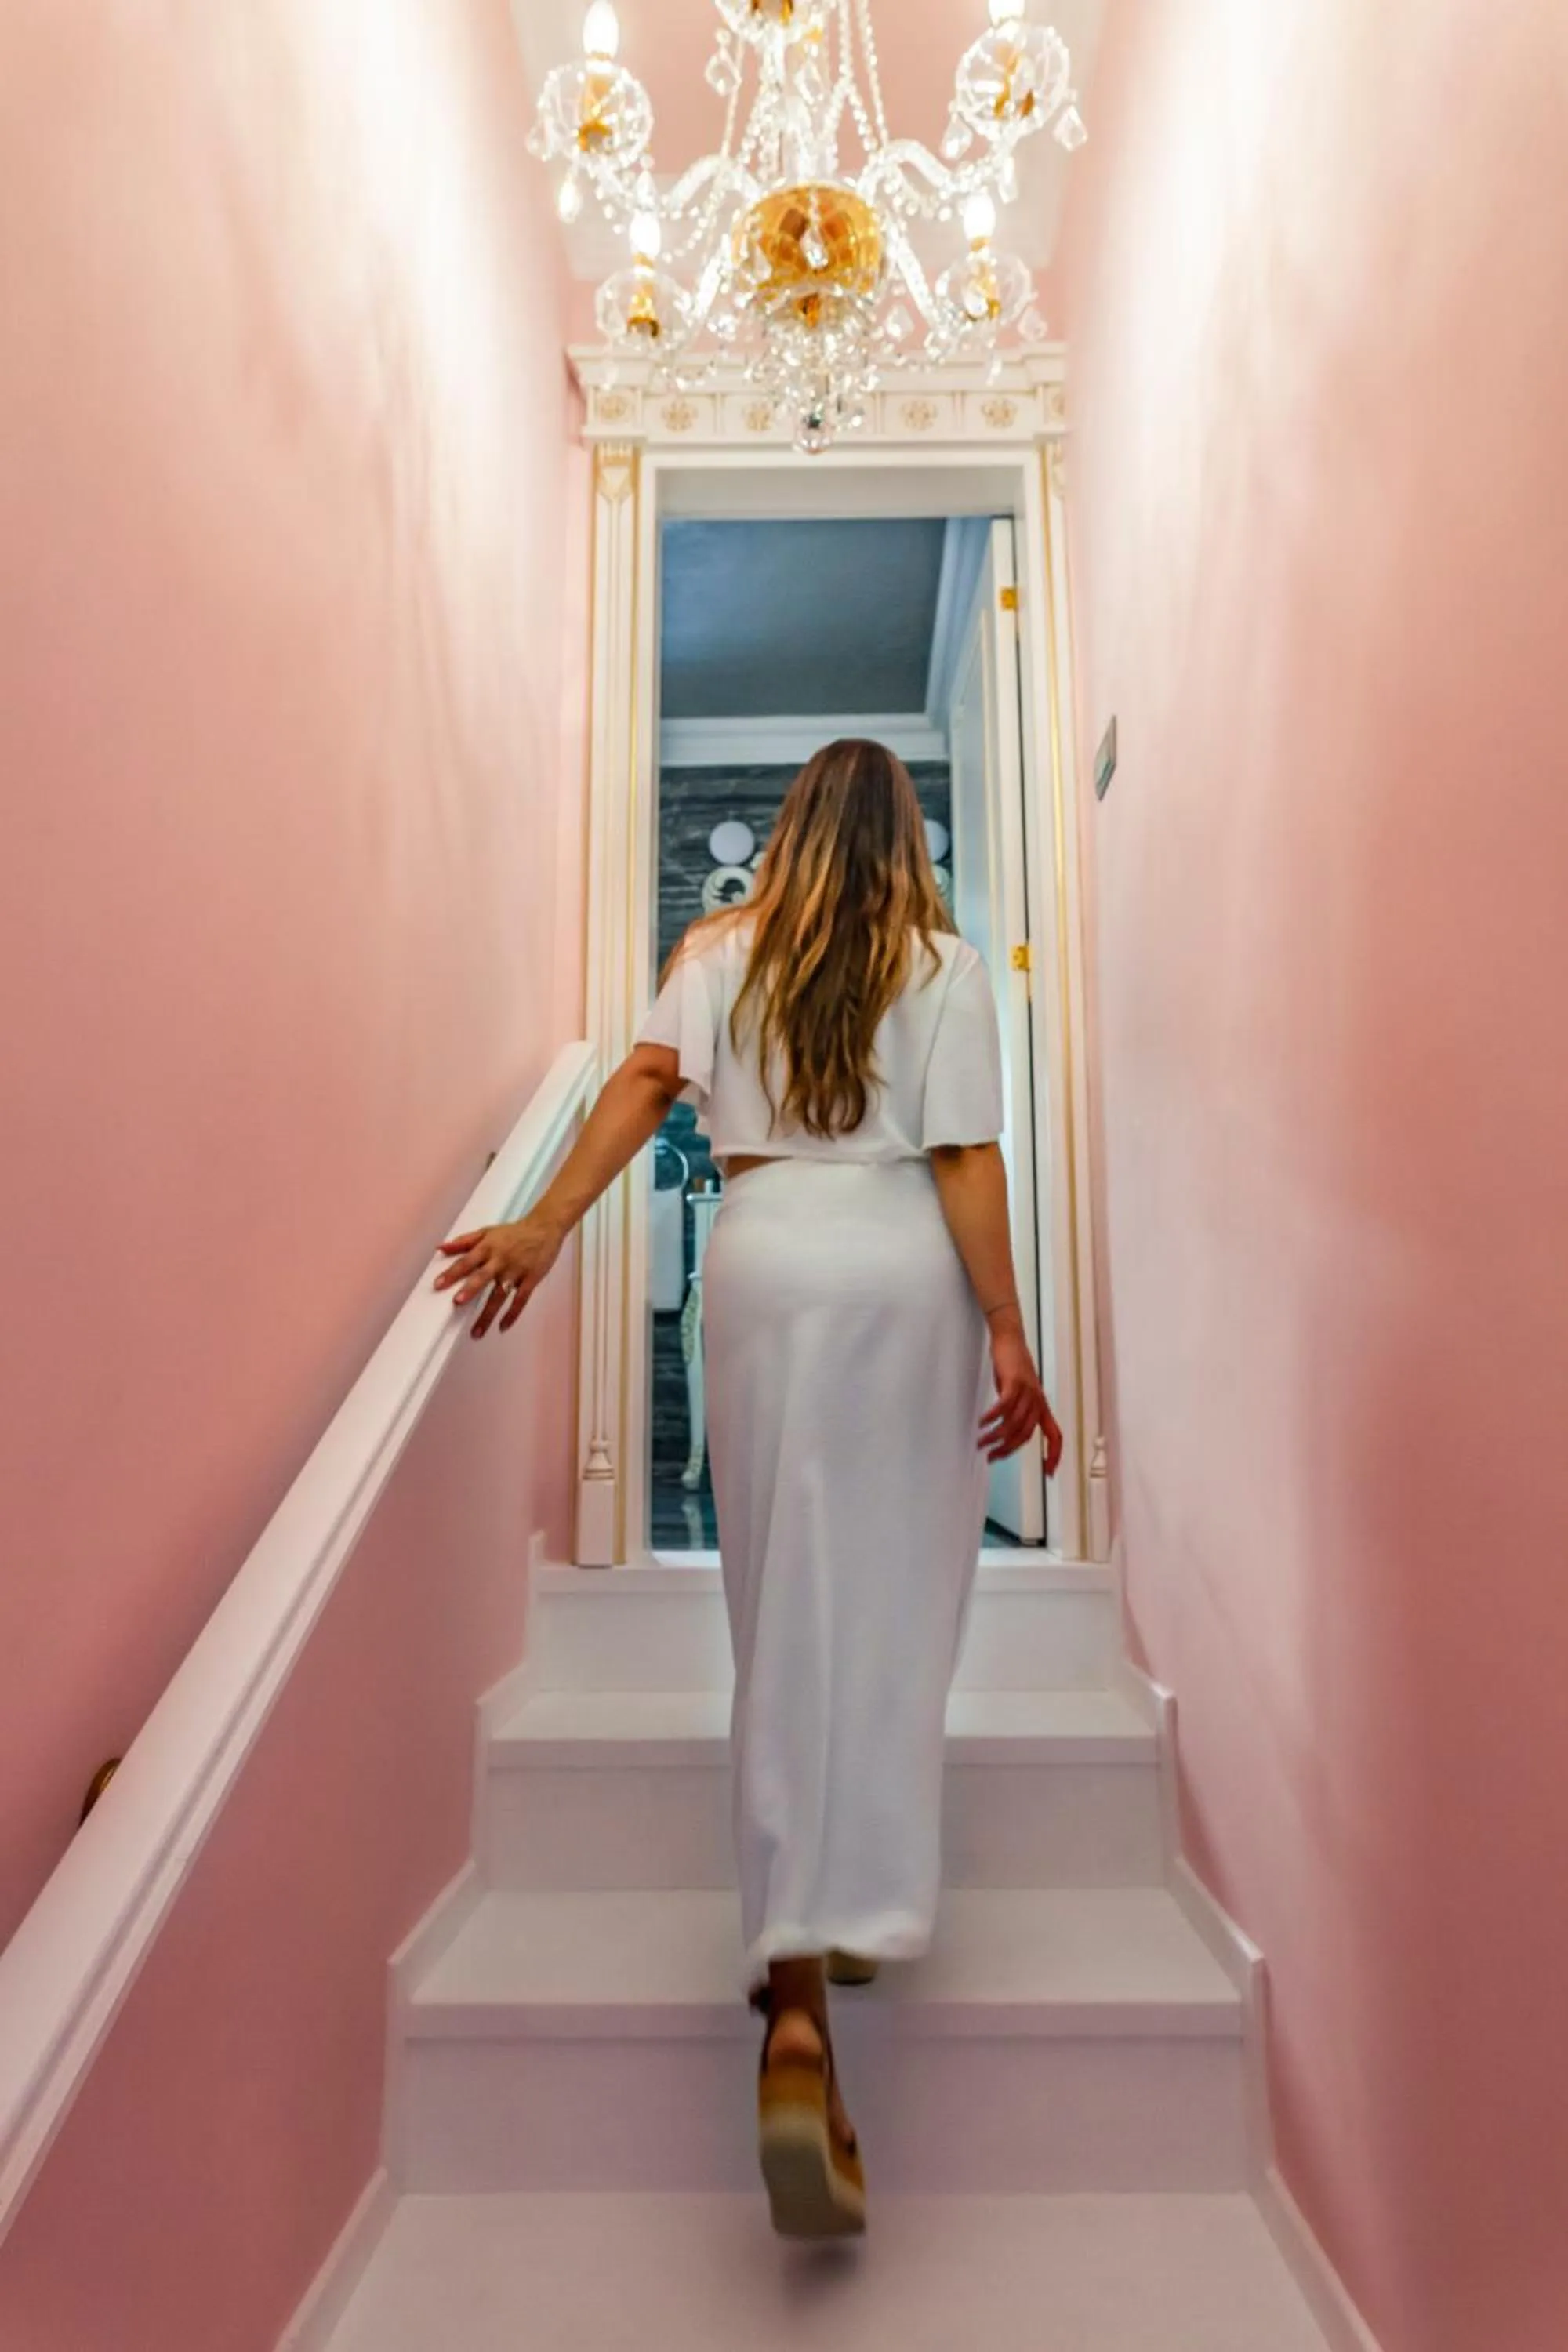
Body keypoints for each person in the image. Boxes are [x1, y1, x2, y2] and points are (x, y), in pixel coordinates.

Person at [434, 738, 1064, 2241]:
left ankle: (794, 1982)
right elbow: (965, 1157)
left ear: (787, 831)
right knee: (898, 1604)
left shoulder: (716, 950)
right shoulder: (946, 962)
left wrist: (540, 1226)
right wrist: (1009, 1333)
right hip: (903, 1271)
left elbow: (645, 1087)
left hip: (768, 1258)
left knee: (782, 1597)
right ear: (907, 837)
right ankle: (850, 1918)